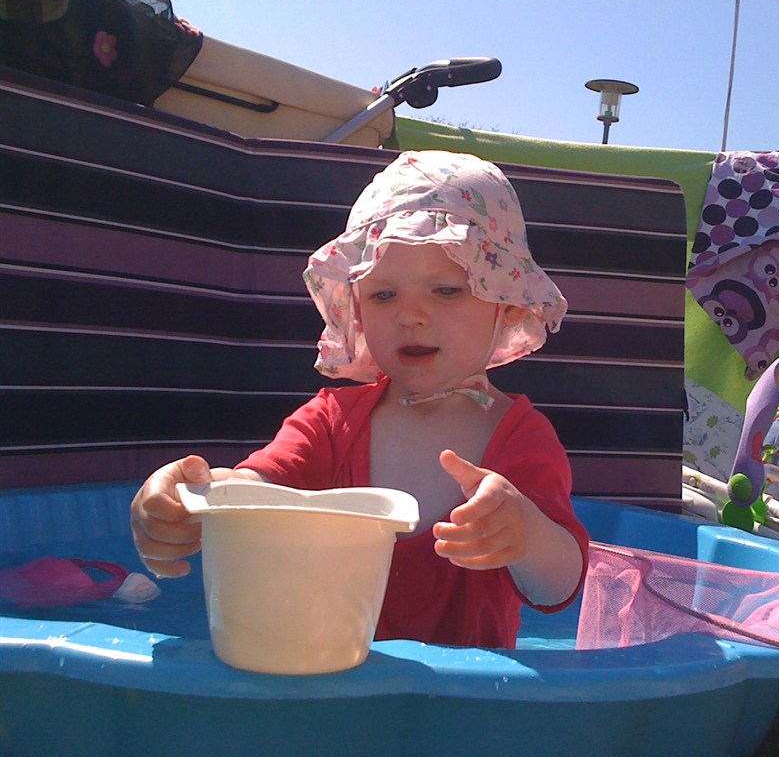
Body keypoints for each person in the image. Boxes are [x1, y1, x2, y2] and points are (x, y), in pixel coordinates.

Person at [130, 150, 589, 649]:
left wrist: (526, 534)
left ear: (507, 303)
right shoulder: (331, 421)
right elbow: (254, 488)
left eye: (445, 290)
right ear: (355, 310)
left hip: (465, 692)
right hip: (325, 684)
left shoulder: (521, 437)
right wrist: (191, 498)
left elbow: (560, 587)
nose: (410, 316)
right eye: (383, 295)